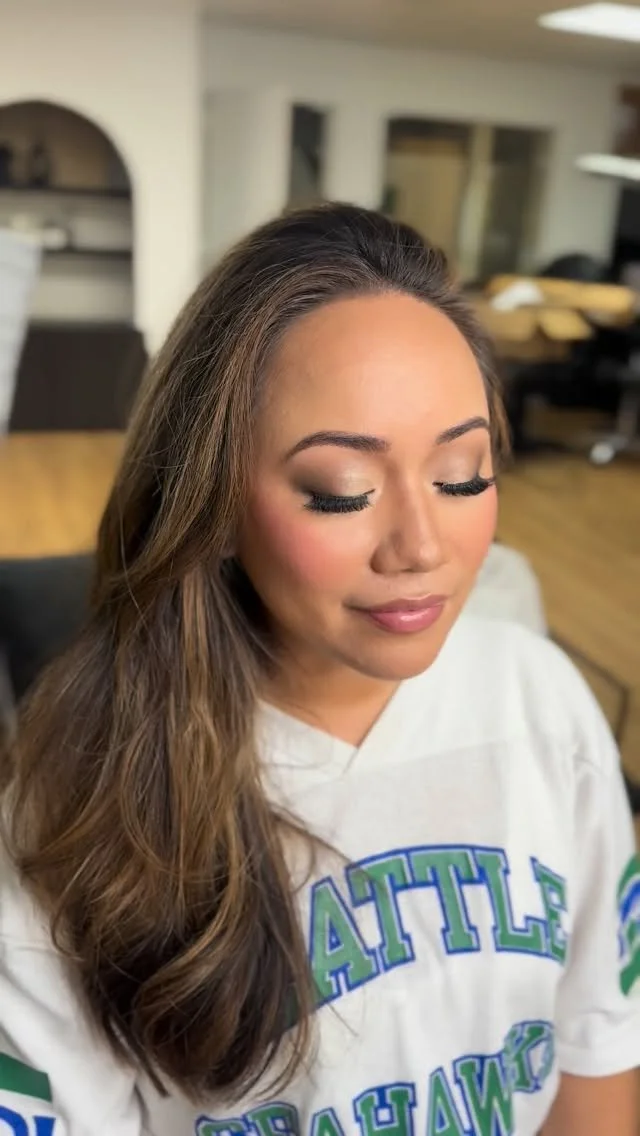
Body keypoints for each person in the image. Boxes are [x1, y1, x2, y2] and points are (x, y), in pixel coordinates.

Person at [0, 204, 637, 1136]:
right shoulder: (73, 820)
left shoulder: (539, 699)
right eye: (342, 491)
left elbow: (598, 1053)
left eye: (463, 474)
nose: (422, 546)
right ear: (213, 503)